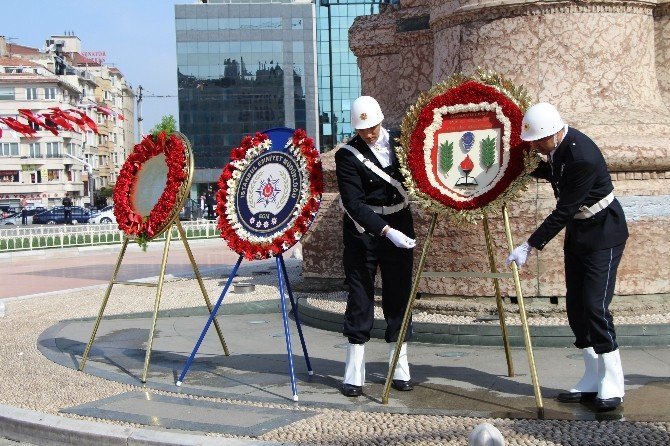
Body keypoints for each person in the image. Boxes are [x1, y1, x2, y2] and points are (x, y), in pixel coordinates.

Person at [507, 102, 628, 411]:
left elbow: (564, 209)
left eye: (537, 141)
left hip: (603, 231)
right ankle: (592, 375)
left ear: (552, 133)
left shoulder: (581, 156)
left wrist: (529, 245)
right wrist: (515, 166)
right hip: (580, 231)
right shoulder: (558, 147)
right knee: (576, 307)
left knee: (595, 305)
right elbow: (551, 171)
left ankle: (613, 382)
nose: (534, 146)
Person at [335, 95, 416, 397]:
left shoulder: (402, 142)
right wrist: (384, 231)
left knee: (399, 293)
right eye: (362, 129)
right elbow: (353, 203)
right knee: (359, 294)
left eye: (373, 126)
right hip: (364, 231)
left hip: (400, 222)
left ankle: (400, 365)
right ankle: (354, 370)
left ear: (382, 119)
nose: (369, 133)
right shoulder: (346, 155)